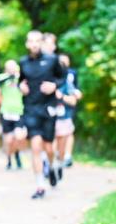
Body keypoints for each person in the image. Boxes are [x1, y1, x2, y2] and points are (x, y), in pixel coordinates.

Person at [19, 30, 66, 199]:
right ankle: (40, 185)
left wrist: (54, 86)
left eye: (37, 41)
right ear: (27, 44)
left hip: (48, 108)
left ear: (42, 43)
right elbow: (21, 81)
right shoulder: (23, 62)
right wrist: (21, 87)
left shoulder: (52, 60)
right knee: (36, 147)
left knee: (48, 147)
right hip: (31, 108)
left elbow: (62, 78)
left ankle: (52, 167)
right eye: (31, 41)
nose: (34, 44)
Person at [52, 52, 81, 181]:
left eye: (65, 61)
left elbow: (75, 92)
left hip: (66, 109)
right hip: (51, 111)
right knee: (51, 138)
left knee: (65, 136)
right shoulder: (50, 74)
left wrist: (65, 96)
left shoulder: (71, 75)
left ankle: (62, 159)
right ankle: (52, 163)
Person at [0, 59, 25, 169]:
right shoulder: (2, 77)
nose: (12, 69)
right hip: (6, 111)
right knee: (8, 140)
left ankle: (17, 155)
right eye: (9, 67)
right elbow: (0, 82)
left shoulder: (20, 78)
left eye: (13, 67)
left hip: (18, 111)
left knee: (18, 137)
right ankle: (9, 160)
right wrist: (12, 75)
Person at [58, 52, 81, 167]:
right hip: (55, 105)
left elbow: (76, 88)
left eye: (65, 60)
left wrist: (76, 94)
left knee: (69, 131)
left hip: (68, 105)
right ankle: (57, 154)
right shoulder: (53, 73)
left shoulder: (72, 73)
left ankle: (67, 155)